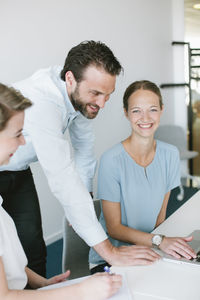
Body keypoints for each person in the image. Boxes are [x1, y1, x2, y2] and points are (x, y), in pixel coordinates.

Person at [0, 41, 159, 276]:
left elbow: (84, 149)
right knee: (8, 253)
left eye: (108, 95)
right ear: (71, 79)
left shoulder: (78, 96)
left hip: (19, 170)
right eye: (95, 93)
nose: (102, 104)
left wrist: (85, 195)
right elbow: (62, 177)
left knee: (32, 247)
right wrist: (109, 252)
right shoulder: (42, 102)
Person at [0, 82, 122, 300]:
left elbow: (8, 261)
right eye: (18, 133)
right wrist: (80, 291)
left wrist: (44, 284)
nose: (24, 141)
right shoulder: (47, 103)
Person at [89, 80, 197, 273]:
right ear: (126, 113)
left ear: (162, 111)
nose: (145, 117)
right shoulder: (111, 160)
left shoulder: (170, 154)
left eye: (153, 109)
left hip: (152, 249)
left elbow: (160, 217)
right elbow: (114, 228)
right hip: (114, 258)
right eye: (136, 110)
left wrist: (161, 247)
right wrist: (159, 241)